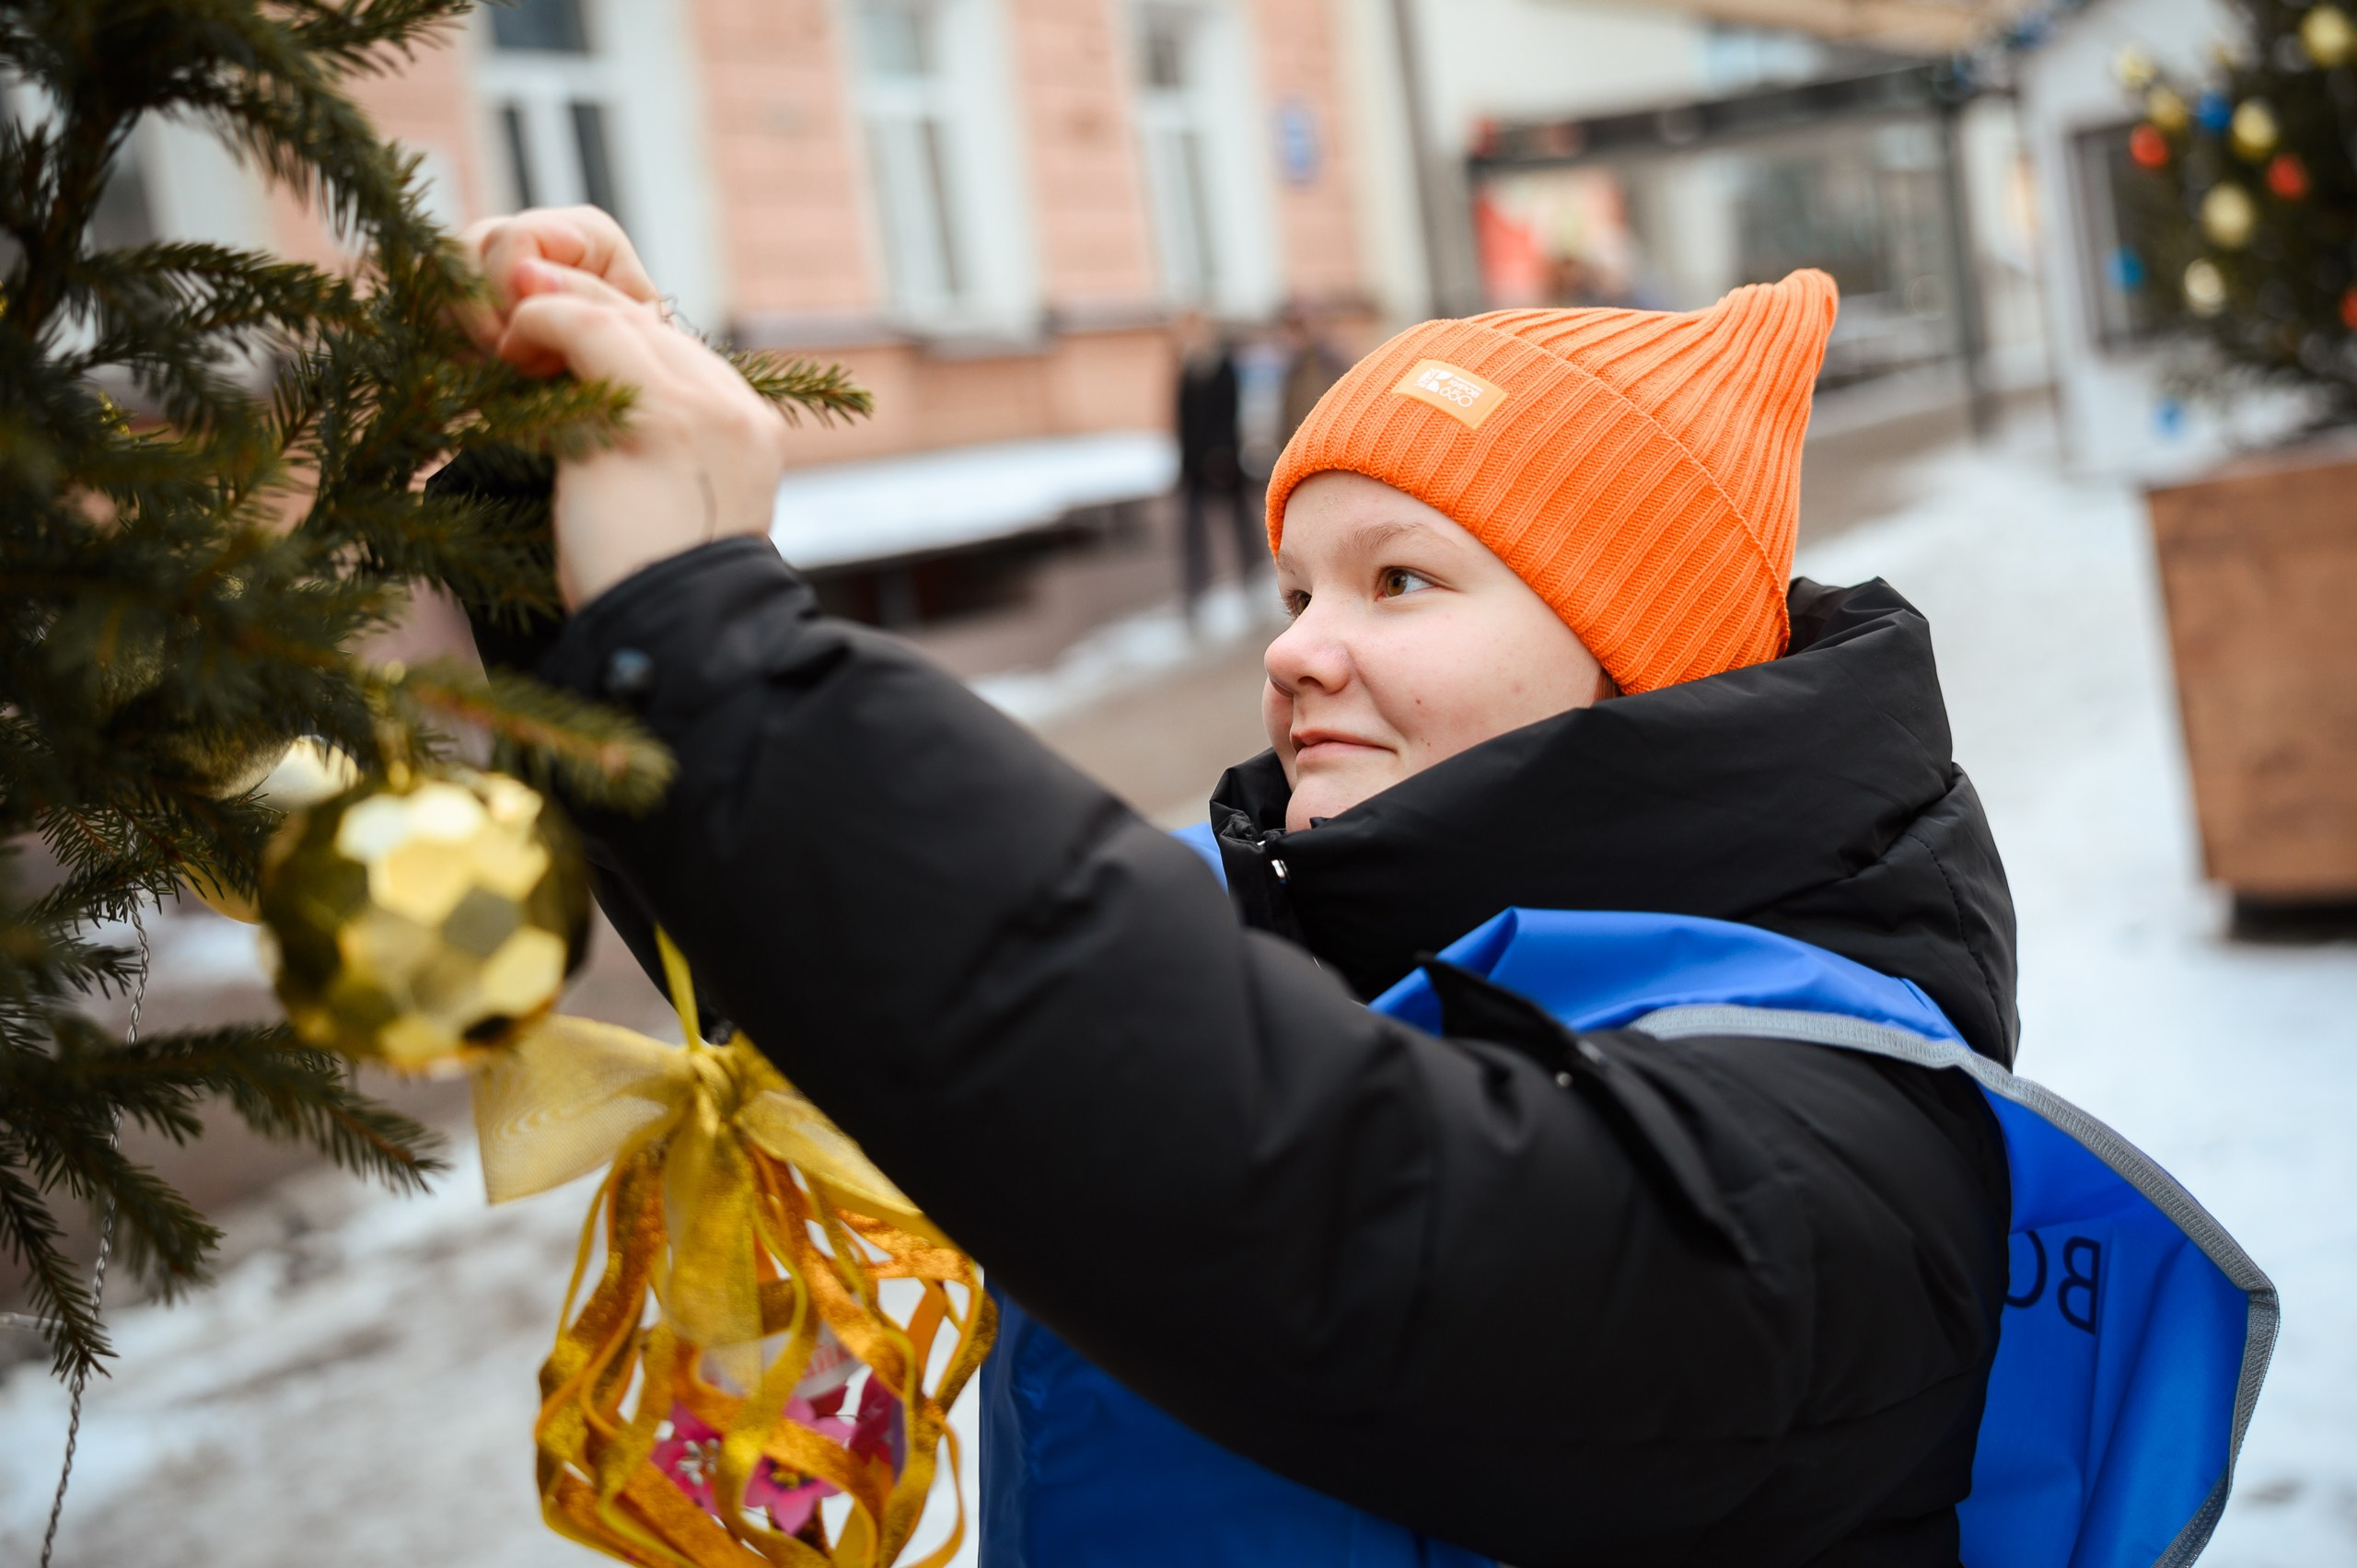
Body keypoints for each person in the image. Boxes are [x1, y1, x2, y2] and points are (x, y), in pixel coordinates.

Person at [443, 210, 2271, 1568]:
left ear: (1643, 657)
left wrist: (717, 651)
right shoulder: (1291, 935)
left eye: (1398, 582)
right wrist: (578, 592)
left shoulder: (1835, 1133)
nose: (1299, 652)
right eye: (1296, 585)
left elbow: (1311, 1193)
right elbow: (910, 1001)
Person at [1172, 308, 1258, 621]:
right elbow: (1182, 421)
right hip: (1193, 465)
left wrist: (1223, 453)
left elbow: (1229, 414)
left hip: (1223, 460)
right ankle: (1196, 590)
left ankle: (1251, 578)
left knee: (1239, 523)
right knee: (1192, 531)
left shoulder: (1222, 367)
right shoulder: (1185, 368)